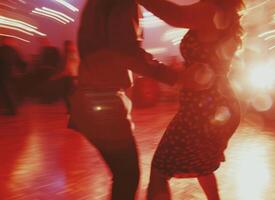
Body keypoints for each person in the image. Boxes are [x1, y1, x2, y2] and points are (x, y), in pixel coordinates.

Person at [69, 0, 180, 199]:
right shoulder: (120, 3)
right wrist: (174, 77)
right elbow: (127, 53)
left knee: (123, 174)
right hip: (104, 102)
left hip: (87, 98)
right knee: (127, 175)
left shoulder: (96, 6)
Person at [138, 0, 244, 199]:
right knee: (202, 166)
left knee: (160, 168)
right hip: (214, 105)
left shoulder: (211, 9)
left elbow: (176, 15)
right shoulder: (222, 11)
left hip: (203, 109)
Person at [0, 37, 26, 115]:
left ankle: (11, 109)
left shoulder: (2, 50)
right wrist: (21, 72)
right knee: (10, 91)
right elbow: (21, 62)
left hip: (4, 73)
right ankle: (12, 109)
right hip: (12, 74)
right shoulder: (14, 50)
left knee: (7, 92)